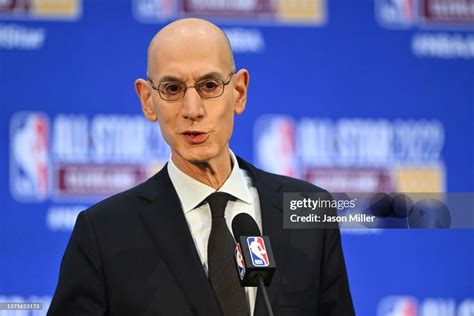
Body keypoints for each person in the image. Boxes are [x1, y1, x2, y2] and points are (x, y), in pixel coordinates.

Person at [48, 18, 354, 316]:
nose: (192, 110)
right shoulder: (104, 232)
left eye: (209, 85)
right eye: (172, 89)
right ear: (147, 100)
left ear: (239, 92)